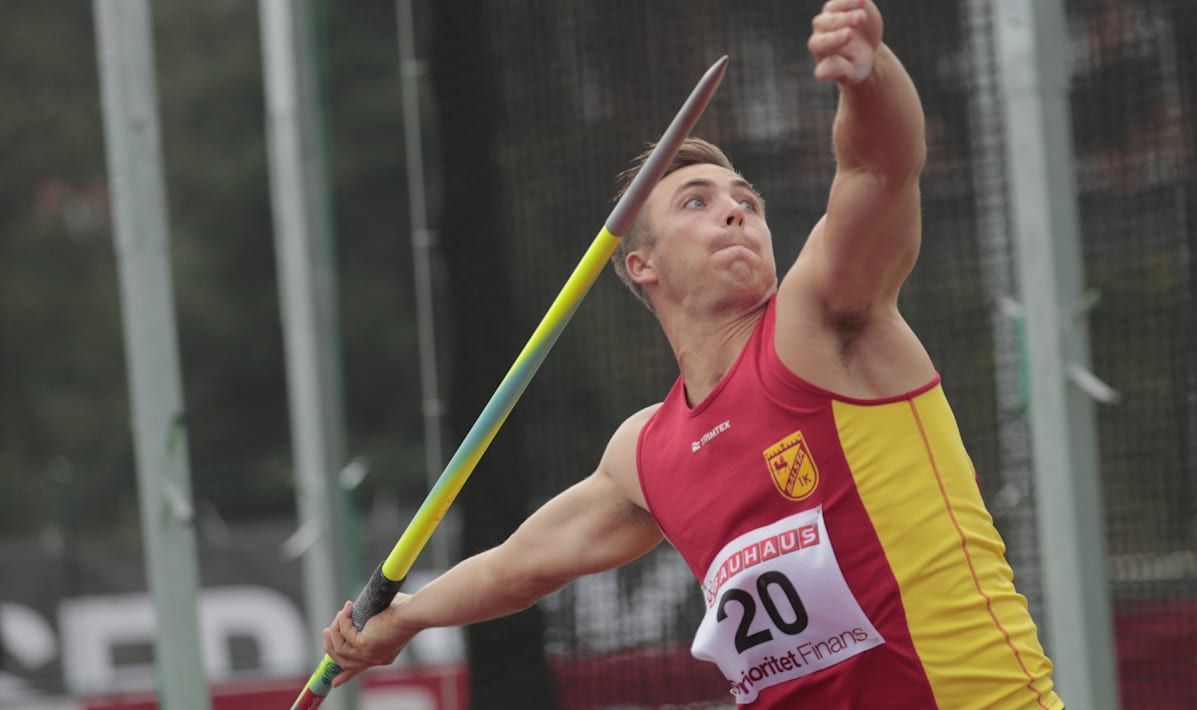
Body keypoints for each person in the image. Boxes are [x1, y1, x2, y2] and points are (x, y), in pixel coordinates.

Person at [325, 1, 1062, 707]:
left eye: (747, 201)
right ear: (640, 264)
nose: (736, 210)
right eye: (696, 202)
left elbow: (879, 170)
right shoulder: (645, 452)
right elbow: (520, 566)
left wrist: (868, 78)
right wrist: (407, 617)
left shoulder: (820, 325)